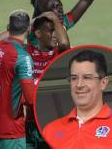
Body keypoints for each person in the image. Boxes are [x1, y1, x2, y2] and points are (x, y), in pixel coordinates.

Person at [43, 50, 112, 149]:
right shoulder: (50, 130)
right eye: (74, 78)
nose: (79, 85)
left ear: (103, 83)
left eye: (87, 78)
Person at [0, 10, 34, 149]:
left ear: (7, 28)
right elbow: (31, 99)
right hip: (11, 131)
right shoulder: (23, 57)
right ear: (29, 29)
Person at [25, 11, 70, 148]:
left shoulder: (58, 55)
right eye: (51, 31)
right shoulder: (27, 52)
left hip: (52, 122)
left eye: (57, 30)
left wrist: (55, 19)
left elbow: (64, 44)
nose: (55, 35)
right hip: (30, 123)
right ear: (38, 34)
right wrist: (30, 24)